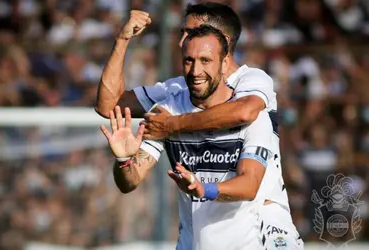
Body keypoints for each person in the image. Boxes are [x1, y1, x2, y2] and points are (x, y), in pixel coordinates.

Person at [100, 26, 303, 250]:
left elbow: (249, 185)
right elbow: (130, 181)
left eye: (205, 61)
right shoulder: (167, 111)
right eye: (189, 60)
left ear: (225, 64)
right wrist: (123, 160)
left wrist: (203, 189)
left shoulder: (253, 116)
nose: (196, 71)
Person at [95, 2, 277, 140]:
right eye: (182, 33)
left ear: (225, 42)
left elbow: (244, 112)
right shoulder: (177, 87)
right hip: (197, 190)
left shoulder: (253, 79)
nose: (181, 42)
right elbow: (109, 106)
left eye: (192, 33)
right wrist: (122, 39)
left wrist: (173, 124)